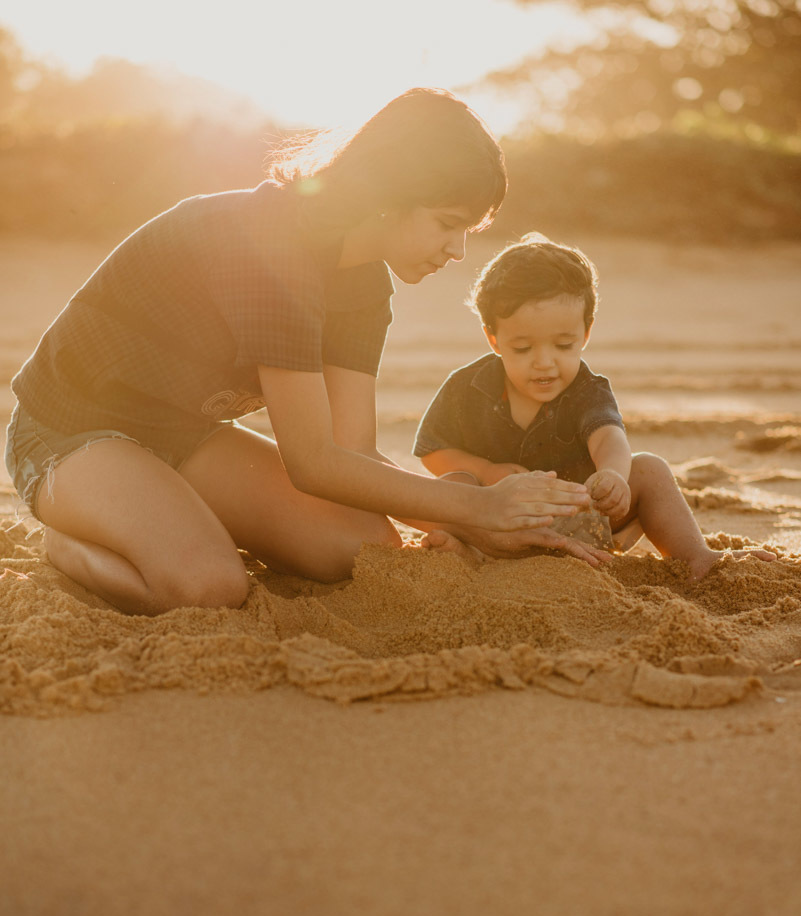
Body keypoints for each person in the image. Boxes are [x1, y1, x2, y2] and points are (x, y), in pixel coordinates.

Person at [4, 89, 607, 617]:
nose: (457, 251)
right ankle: (69, 545)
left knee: (362, 549)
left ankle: (161, 513)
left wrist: (471, 517)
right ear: (391, 195)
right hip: (67, 433)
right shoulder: (273, 248)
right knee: (209, 585)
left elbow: (352, 450)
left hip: (181, 432)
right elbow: (312, 463)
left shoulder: (365, 282)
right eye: (449, 223)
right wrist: (479, 507)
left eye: (469, 231)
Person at [414, 233, 776, 579]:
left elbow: (608, 438)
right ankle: (471, 553)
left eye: (563, 345)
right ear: (493, 338)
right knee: (454, 483)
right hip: (496, 526)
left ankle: (695, 555)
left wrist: (614, 476)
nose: (544, 362)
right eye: (523, 349)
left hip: (585, 517)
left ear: (585, 333)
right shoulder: (466, 387)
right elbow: (433, 449)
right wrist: (487, 470)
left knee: (649, 469)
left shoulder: (587, 389)